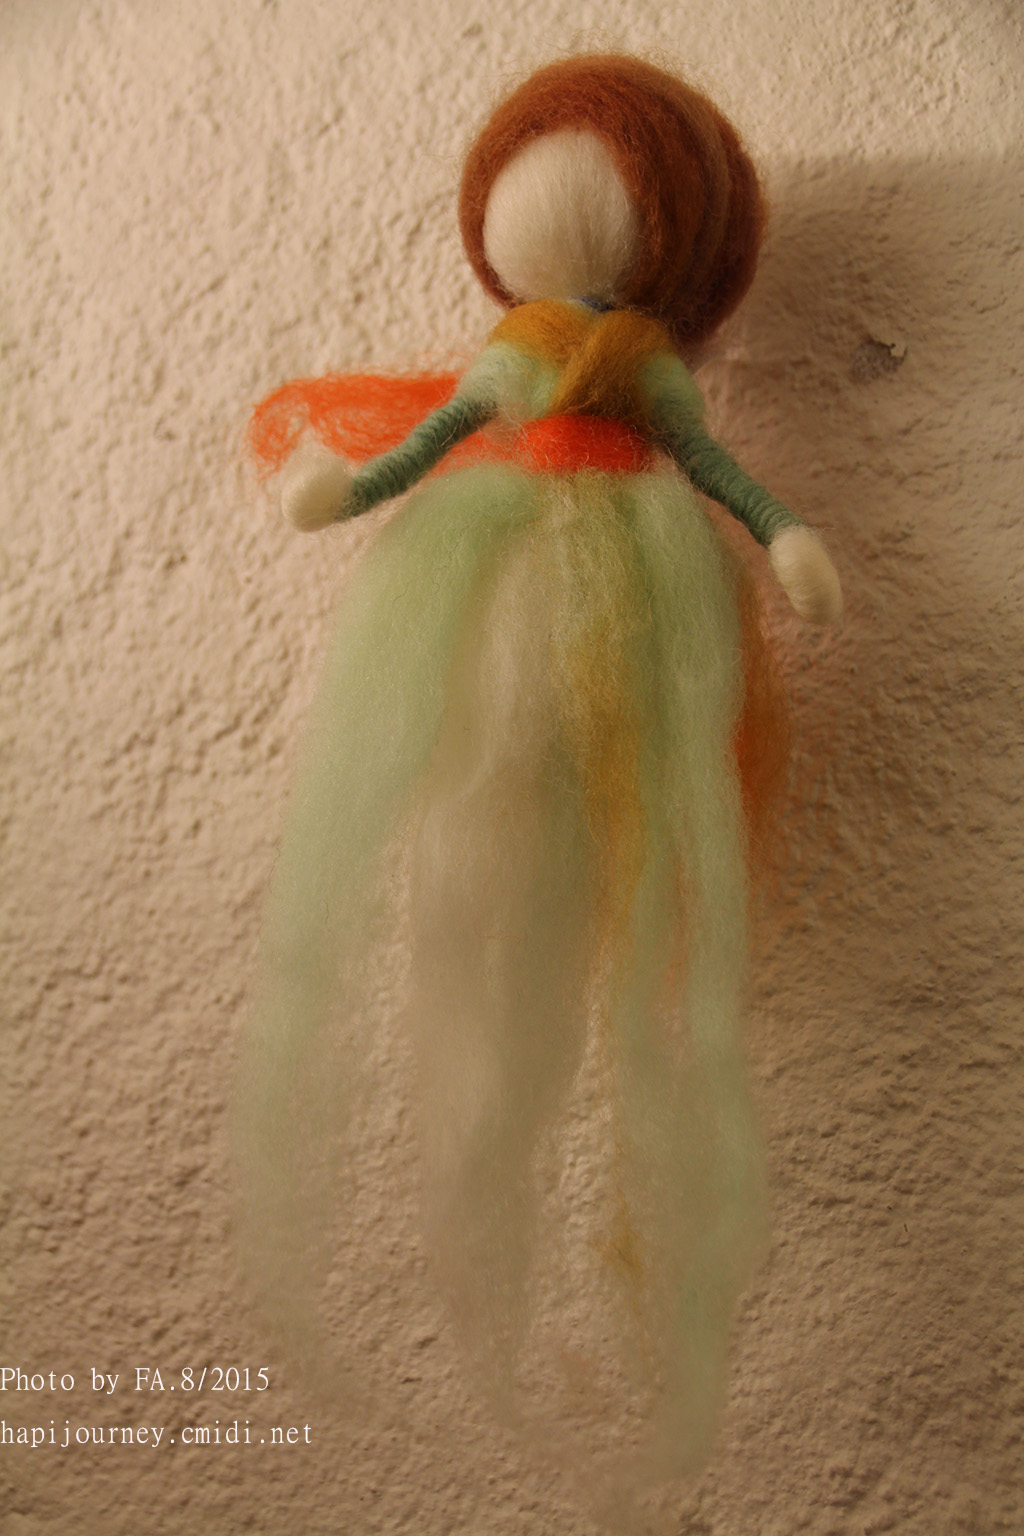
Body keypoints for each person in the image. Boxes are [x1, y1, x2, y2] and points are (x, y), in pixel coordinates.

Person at [243, 54, 841, 1498]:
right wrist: (344, 488)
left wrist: (787, 539)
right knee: (487, 810)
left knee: (618, 868)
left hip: (636, 568)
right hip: (501, 570)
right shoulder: (511, 356)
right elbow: (433, 443)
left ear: (672, 241)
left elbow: (719, 475)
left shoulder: (650, 374)